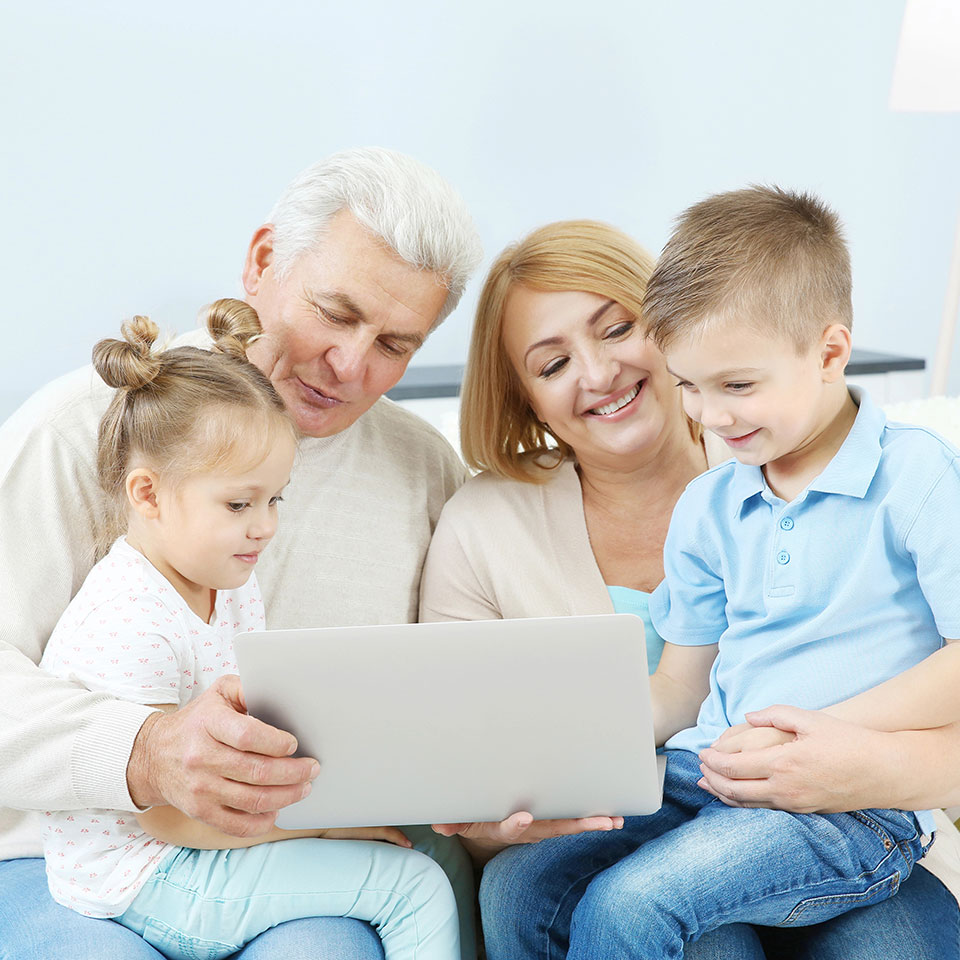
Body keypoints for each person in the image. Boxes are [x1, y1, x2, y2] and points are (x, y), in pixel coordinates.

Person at [420, 217, 960, 959]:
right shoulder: (713, 505)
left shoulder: (919, 478)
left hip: (856, 805)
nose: (708, 413)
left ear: (832, 354)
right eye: (693, 388)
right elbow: (677, 688)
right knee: (526, 886)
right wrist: (521, 766)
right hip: (712, 774)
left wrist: (829, 734)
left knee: (632, 906)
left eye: (733, 386)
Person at [0, 147, 482, 960]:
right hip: (62, 862)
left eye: (397, 344)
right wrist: (143, 752)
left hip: (289, 859)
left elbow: (437, 700)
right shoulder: (77, 431)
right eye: (336, 312)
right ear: (262, 262)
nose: (353, 366)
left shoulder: (423, 472)